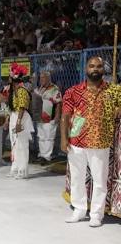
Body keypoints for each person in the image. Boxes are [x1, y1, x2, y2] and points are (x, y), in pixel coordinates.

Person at [61, 56, 121, 227]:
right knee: (77, 178)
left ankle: (96, 214)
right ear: (86, 69)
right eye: (92, 66)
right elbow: (65, 116)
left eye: (99, 66)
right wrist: (64, 139)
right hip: (77, 139)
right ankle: (79, 210)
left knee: (100, 180)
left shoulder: (114, 91)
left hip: (100, 141)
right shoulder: (73, 91)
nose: (95, 69)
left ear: (104, 70)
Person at [7, 63, 34, 179]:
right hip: (15, 116)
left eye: (10, 78)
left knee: (22, 145)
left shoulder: (22, 91)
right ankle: (15, 168)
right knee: (15, 145)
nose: (8, 80)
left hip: (21, 118)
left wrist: (18, 122)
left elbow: (22, 107)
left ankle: (22, 170)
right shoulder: (15, 91)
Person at [34, 70, 62, 163]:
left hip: (50, 117)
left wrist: (57, 116)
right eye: (41, 77)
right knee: (41, 137)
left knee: (49, 137)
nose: (41, 79)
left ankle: (47, 156)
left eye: (43, 77)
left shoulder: (54, 89)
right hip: (40, 117)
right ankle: (42, 154)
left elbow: (58, 103)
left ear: (48, 78)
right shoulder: (40, 89)